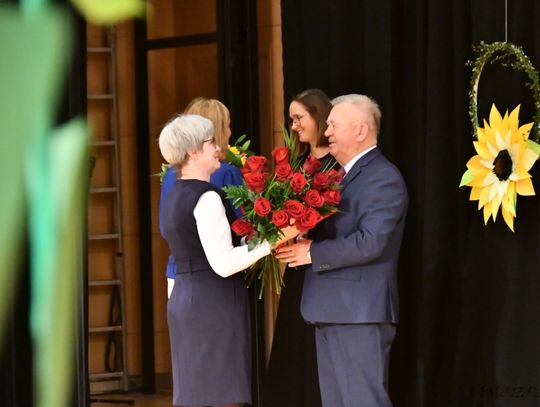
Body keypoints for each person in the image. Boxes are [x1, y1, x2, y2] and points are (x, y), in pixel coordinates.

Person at [275, 94, 408, 407]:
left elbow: (372, 242)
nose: (327, 132)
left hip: (357, 313)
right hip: (333, 311)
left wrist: (313, 253)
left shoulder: (382, 178)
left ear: (360, 131)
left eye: (333, 125)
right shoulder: (340, 176)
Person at [159, 114, 297, 407]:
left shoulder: (176, 192)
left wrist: (256, 239)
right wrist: (276, 238)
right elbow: (222, 262)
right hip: (211, 304)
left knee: (197, 395)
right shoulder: (205, 197)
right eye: (210, 142)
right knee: (221, 396)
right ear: (192, 151)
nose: (218, 148)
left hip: (187, 299)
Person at [263, 89, 336, 407]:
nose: (293, 126)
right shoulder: (297, 165)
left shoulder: (338, 164)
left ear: (318, 116)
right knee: (292, 350)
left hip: (325, 269)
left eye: (298, 118)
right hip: (297, 271)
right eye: (291, 119)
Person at [159, 97, 244, 298]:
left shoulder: (171, 175)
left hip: (177, 274)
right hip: (215, 279)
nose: (230, 132)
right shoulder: (226, 173)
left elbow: (165, 228)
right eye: (228, 125)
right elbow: (243, 225)